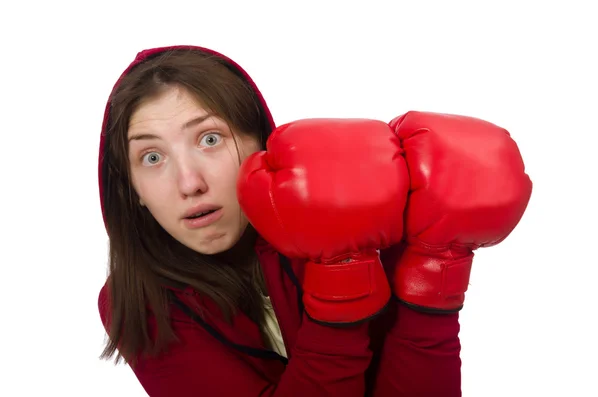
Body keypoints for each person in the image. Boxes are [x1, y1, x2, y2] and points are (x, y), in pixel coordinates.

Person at [97, 45, 532, 396]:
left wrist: (436, 269)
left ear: (260, 145)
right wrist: (338, 289)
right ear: (131, 188)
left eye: (210, 139)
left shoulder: (356, 219)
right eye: (151, 157)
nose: (189, 183)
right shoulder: (138, 301)